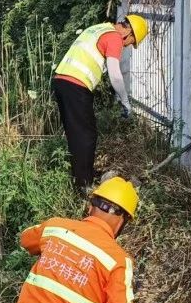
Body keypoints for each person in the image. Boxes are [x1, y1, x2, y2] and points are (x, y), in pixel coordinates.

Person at [52, 15, 149, 190]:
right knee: (86, 136)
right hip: (76, 84)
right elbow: (115, 75)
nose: (128, 46)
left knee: (77, 134)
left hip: (61, 81)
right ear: (128, 31)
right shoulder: (115, 37)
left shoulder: (99, 28)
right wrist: (125, 101)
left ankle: (83, 175)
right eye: (131, 42)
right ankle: (84, 185)